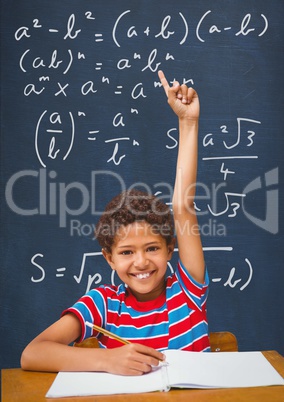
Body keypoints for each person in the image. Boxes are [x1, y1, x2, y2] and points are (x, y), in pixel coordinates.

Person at [21, 70, 210, 376]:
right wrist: (106, 360)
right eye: (125, 252)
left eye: (152, 248)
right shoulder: (103, 305)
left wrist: (188, 123)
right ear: (108, 258)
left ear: (170, 249)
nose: (141, 262)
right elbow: (33, 354)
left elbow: (183, 207)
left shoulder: (188, 290)